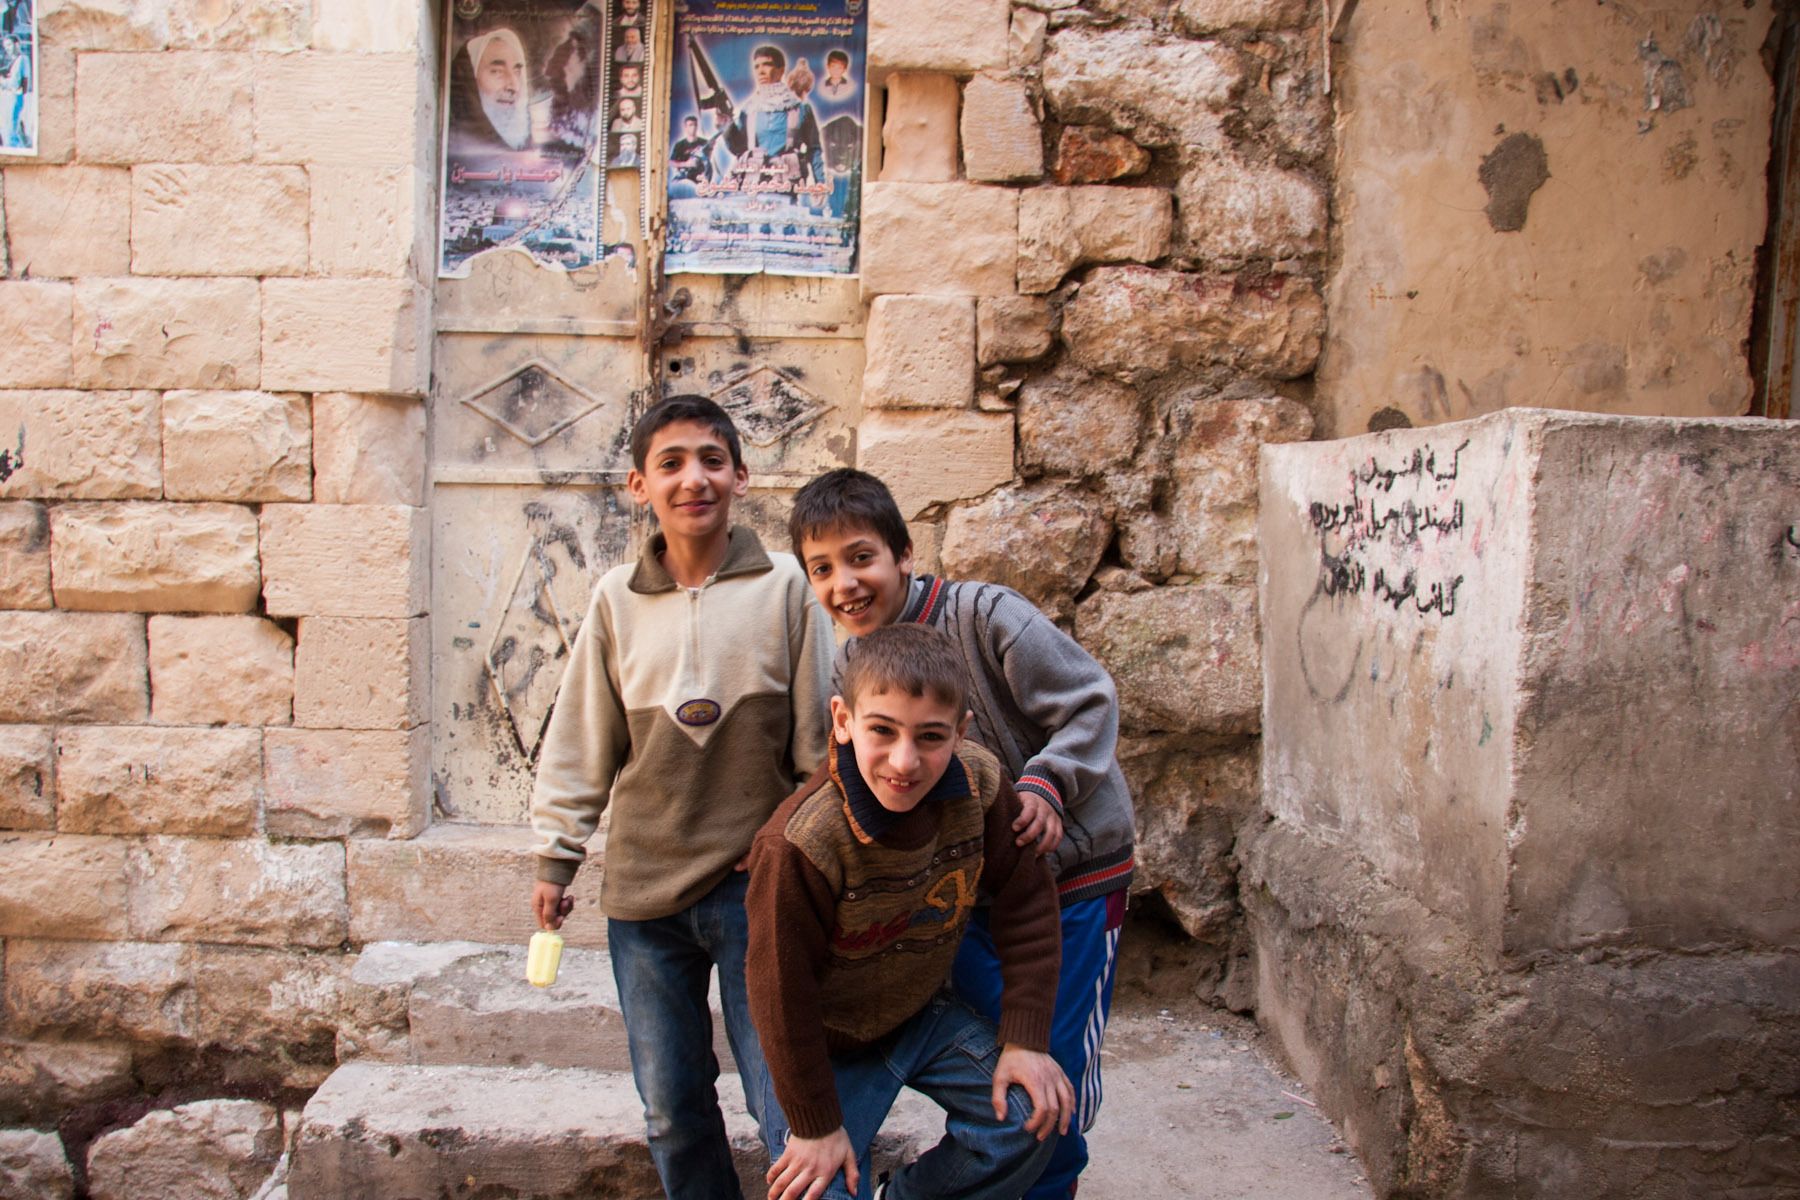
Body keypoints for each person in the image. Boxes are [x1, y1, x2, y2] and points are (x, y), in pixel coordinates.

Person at [787, 469, 1138, 1200]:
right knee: (1005, 1060)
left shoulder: (985, 615)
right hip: (971, 896)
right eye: (821, 569)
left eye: (861, 557)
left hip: (1074, 877)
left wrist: (1047, 781)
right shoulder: (851, 665)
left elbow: (1090, 700)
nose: (845, 583)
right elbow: (853, 781)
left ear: (904, 554)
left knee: (1053, 1077)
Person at [531, 396, 835, 1200]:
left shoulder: (787, 588)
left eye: (711, 460)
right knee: (671, 1110)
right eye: (670, 464)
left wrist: (790, 845)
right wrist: (557, 856)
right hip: (645, 898)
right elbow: (582, 737)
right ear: (639, 486)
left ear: (741, 476)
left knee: (784, 1101)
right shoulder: (615, 599)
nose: (692, 479)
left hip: (754, 891)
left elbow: (820, 747)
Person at [747, 623, 1072, 1200]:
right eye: (882, 730)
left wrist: (1026, 1041)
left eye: (930, 737)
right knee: (815, 1186)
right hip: (820, 1037)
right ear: (843, 720)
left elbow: (1025, 904)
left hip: (917, 1015)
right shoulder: (801, 843)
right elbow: (780, 992)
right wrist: (815, 1125)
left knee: (1026, 1119)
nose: (905, 760)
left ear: (960, 732)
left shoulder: (980, 783)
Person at [716, 43, 822, 189]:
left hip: (786, 183)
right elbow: (738, 149)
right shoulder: (749, 109)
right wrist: (726, 127)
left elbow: (814, 150)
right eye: (756, 67)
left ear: (781, 70)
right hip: (752, 183)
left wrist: (820, 184)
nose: (761, 71)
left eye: (767, 64)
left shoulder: (800, 108)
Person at [671, 114, 714, 182]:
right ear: (685, 127)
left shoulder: (704, 142)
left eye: (695, 125)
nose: (693, 127)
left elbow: (708, 160)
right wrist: (686, 164)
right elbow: (671, 162)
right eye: (690, 125)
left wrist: (711, 148)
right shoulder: (679, 145)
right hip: (684, 176)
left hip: (700, 177)